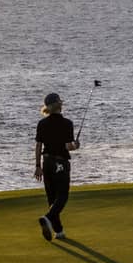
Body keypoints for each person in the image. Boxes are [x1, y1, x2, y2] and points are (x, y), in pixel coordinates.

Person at [35, 92, 80, 241]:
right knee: (62, 195)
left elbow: (38, 146)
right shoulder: (67, 123)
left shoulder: (42, 124)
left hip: (46, 163)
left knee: (51, 198)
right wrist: (76, 146)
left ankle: (58, 231)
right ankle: (47, 218)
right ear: (59, 105)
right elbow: (68, 147)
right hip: (60, 162)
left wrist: (37, 166)